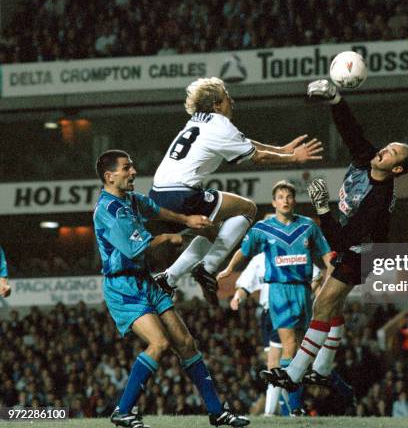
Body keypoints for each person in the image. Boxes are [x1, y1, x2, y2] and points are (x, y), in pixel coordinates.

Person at [261, 79, 408, 392]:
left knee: (322, 306)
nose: (385, 150)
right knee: (331, 307)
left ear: (397, 170)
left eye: (393, 153)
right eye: (389, 146)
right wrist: (335, 99)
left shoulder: (379, 199)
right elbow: (351, 130)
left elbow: (343, 240)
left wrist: (322, 209)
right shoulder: (367, 159)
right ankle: (322, 368)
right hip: (350, 244)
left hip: (363, 253)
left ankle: (294, 375)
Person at [93, 149, 249, 428]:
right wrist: (169, 235)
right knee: (160, 343)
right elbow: (135, 247)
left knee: (186, 344)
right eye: (127, 168)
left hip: (145, 280)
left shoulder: (128, 199)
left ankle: (217, 411)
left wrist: (187, 220)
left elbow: (155, 208)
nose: (133, 172)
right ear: (109, 176)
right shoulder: (108, 210)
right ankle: (123, 411)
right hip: (123, 287)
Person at [149, 77, 323, 303]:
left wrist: (280, 148)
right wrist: (293, 157)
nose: (231, 101)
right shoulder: (220, 125)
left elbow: (243, 142)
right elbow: (257, 157)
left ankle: (168, 279)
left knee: (216, 231)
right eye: (226, 97)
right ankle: (207, 269)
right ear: (216, 105)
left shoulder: (196, 122)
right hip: (181, 195)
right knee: (247, 210)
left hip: (158, 195)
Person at [220, 180, 334, 415]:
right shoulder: (263, 229)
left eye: (289, 196)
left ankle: (292, 404)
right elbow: (243, 251)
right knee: (290, 344)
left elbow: (325, 254)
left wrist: (332, 278)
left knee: (302, 348)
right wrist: (229, 269)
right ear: (274, 202)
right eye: (280, 196)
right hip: (279, 290)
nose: (285, 200)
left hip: (303, 289)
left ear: (294, 200)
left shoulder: (308, 226)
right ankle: (293, 407)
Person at [229, 249, 323, 416]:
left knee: (275, 365)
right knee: (279, 367)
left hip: (284, 309)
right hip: (266, 314)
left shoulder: (293, 253)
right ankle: (290, 410)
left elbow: (317, 277)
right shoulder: (259, 260)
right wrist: (237, 298)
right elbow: (245, 286)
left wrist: (305, 295)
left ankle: (276, 412)